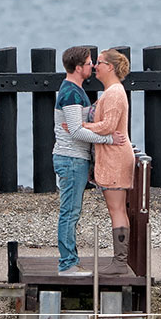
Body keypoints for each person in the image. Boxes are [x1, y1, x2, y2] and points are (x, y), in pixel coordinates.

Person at [53, 46, 126, 276]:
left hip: (76, 159)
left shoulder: (77, 91)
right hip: (71, 158)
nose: (92, 66)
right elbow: (75, 131)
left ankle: (70, 261)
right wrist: (108, 139)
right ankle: (67, 264)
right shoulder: (71, 93)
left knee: (72, 211)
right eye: (88, 63)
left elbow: (77, 127)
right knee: (70, 212)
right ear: (77, 68)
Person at [81, 48, 135, 276]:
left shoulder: (113, 93)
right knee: (117, 208)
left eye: (100, 63)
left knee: (117, 209)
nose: (95, 66)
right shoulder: (112, 92)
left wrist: (79, 127)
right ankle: (119, 261)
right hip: (112, 157)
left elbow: (108, 127)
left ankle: (120, 262)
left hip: (116, 159)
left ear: (110, 67)